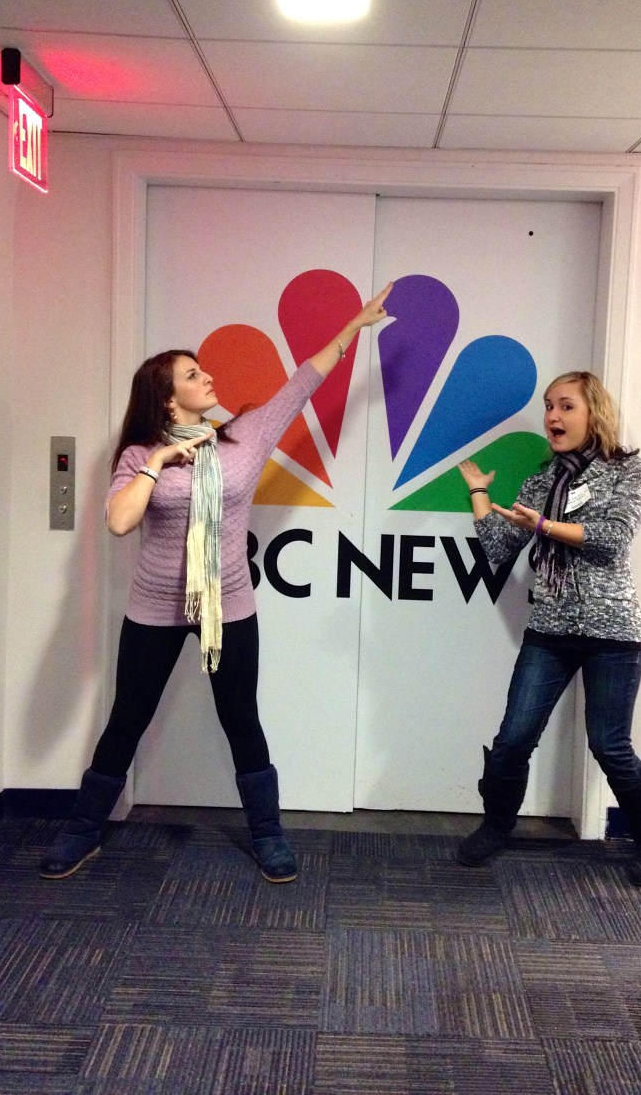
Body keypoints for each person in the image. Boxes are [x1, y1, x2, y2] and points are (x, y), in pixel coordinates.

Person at [40, 283, 392, 884]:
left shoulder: (244, 436)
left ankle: (268, 834)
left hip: (227, 606)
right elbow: (120, 522)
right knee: (128, 718)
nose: (207, 378)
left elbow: (303, 383)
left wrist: (353, 327)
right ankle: (82, 830)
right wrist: (158, 464)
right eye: (192, 374)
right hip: (154, 610)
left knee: (241, 719)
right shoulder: (139, 456)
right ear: (167, 399)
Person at [456, 371, 641, 888]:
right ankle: (496, 826)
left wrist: (543, 525)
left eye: (566, 406)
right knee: (513, 740)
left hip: (613, 632)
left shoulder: (628, 471)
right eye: (548, 406)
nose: (552, 416)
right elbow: (498, 549)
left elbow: (612, 539)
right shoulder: (540, 482)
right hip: (550, 628)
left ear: (594, 412)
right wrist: (480, 495)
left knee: (609, 745)